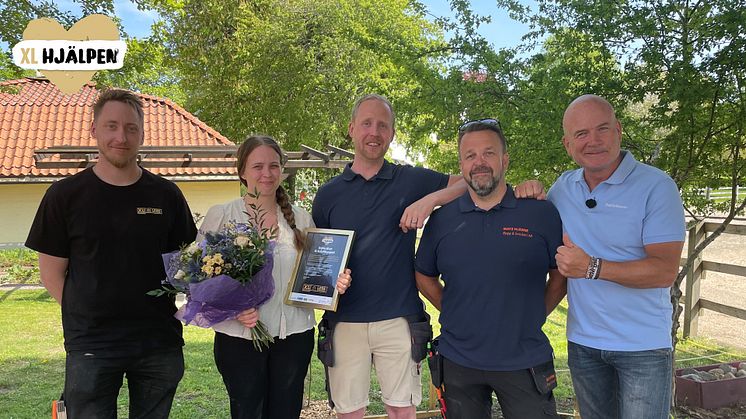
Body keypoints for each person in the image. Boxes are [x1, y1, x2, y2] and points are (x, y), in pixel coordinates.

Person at [25, 89, 198, 418]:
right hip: (92, 344)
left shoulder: (167, 195)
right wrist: (89, 313)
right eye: (112, 126)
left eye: (132, 128)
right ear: (94, 130)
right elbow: (50, 274)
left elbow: (184, 267)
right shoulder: (65, 196)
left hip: (158, 342)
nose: (122, 136)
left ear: (143, 134)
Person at [311, 94, 467, 419]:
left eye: (383, 125)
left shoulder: (410, 180)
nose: (374, 132)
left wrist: (429, 201)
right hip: (345, 322)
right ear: (351, 129)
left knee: (401, 411)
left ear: (392, 134)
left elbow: (470, 183)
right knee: (349, 413)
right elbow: (320, 265)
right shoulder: (328, 194)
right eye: (367, 123)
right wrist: (330, 280)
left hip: (398, 319)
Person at [415, 119, 566, 419]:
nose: (479, 163)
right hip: (459, 362)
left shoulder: (540, 213)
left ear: (505, 160)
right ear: (461, 164)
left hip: (524, 360)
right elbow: (424, 274)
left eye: (488, 153)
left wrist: (536, 312)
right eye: (470, 156)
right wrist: (453, 309)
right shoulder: (442, 221)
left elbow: (560, 273)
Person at [546, 94, 685, 419]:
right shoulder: (562, 190)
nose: (592, 141)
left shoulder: (657, 187)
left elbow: (664, 271)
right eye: (581, 134)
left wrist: (592, 267)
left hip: (643, 347)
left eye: (602, 129)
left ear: (618, 131)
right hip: (583, 344)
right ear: (568, 144)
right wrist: (528, 190)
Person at [199, 135, 351, 419]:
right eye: (257, 166)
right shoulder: (222, 215)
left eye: (273, 165)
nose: (266, 174)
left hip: (294, 336)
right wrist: (234, 310)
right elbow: (200, 281)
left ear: (282, 169)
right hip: (240, 338)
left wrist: (335, 283)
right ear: (242, 171)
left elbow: (317, 274)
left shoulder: (302, 219)